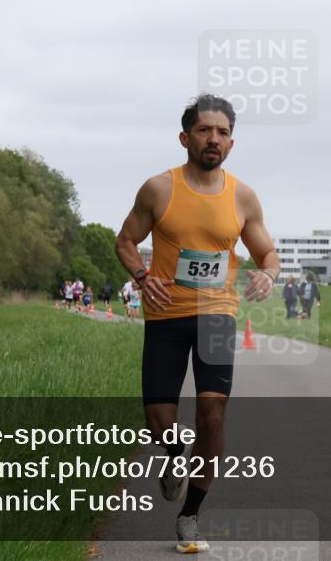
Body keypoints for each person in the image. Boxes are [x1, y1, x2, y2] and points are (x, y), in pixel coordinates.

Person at [115, 94, 279, 554]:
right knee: (158, 423)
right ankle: (173, 456)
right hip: (166, 316)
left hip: (216, 316)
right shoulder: (158, 189)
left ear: (231, 142)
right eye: (205, 130)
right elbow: (126, 241)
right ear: (185, 137)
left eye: (223, 132)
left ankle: (190, 517)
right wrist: (143, 277)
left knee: (212, 416)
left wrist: (267, 273)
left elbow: (268, 252)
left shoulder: (242, 196)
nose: (214, 139)